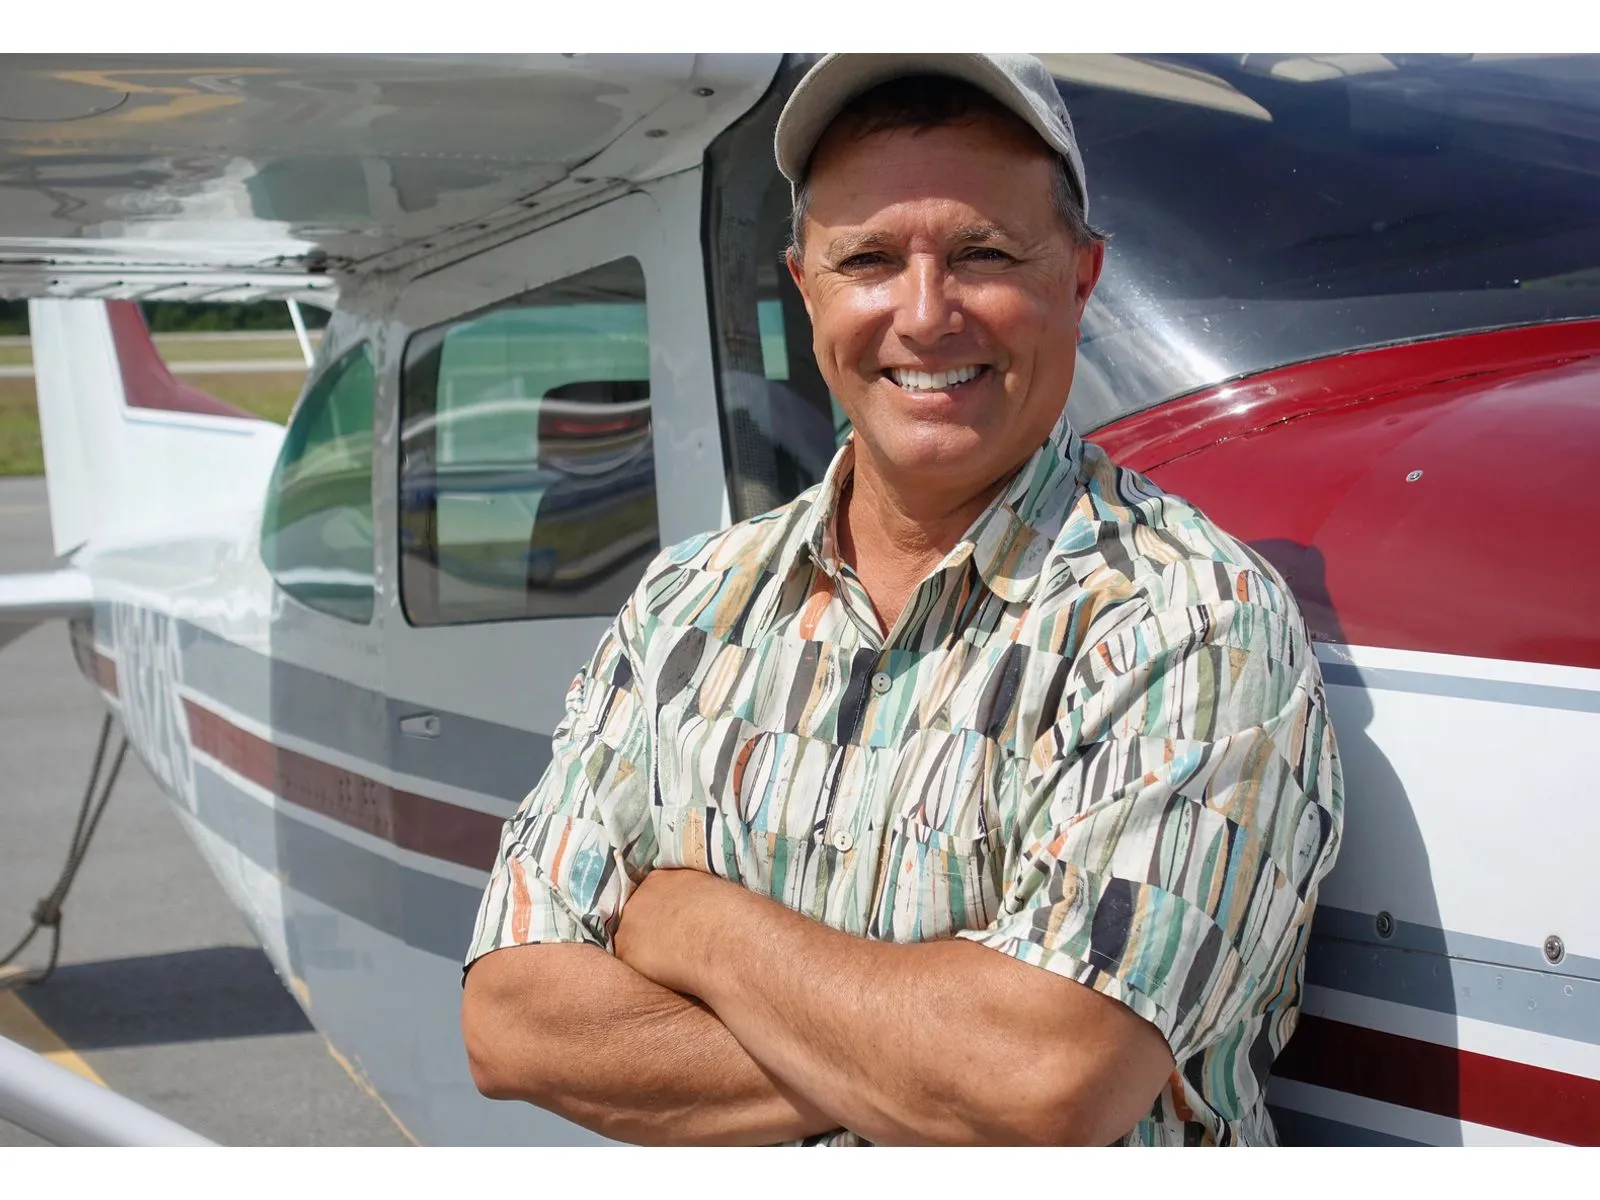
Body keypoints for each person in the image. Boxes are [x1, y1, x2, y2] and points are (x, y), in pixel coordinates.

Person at [459, 53, 1343, 1146]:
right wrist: (935, 1060)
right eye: (869, 259)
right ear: (806, 288)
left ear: (1080, 277)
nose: (925, 317)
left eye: (983, 254)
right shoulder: (685, 605)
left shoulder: (1189, 616)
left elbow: (1045, 1084)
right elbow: (512, 1024)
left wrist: (691, 923)